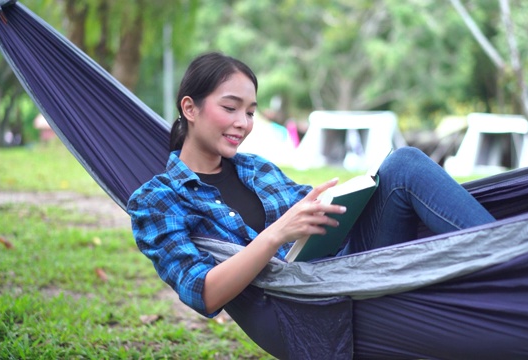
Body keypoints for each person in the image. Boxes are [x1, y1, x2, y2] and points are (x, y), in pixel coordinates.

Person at [127, 52, 495, 318]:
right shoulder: (156, 201)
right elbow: (203, 294)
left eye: (251, 112)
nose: (243, 122)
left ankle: (514, 259)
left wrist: (343, 197)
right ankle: (514, 264)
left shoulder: (257, 169)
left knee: (403, 164)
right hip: (308, 303)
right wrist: (275, 235)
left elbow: (315, 218)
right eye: (230, 107)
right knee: (405, 163)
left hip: (350, 265)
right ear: (189, 108)